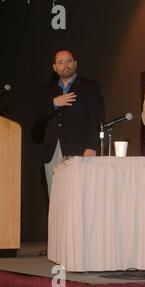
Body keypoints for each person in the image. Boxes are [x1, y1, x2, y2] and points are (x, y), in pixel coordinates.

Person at [34, 49, 105, 197]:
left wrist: (92, 146)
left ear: (75, 63)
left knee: (77, 197)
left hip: (79, 149)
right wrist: (54, 103)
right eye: (61, 62)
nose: (65, 65)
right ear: (54, 67)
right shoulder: (46, 91)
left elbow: (97, 118)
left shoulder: (90, 86)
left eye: (69, 61)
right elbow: (36, 118)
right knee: (55, 200)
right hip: (52, 150)